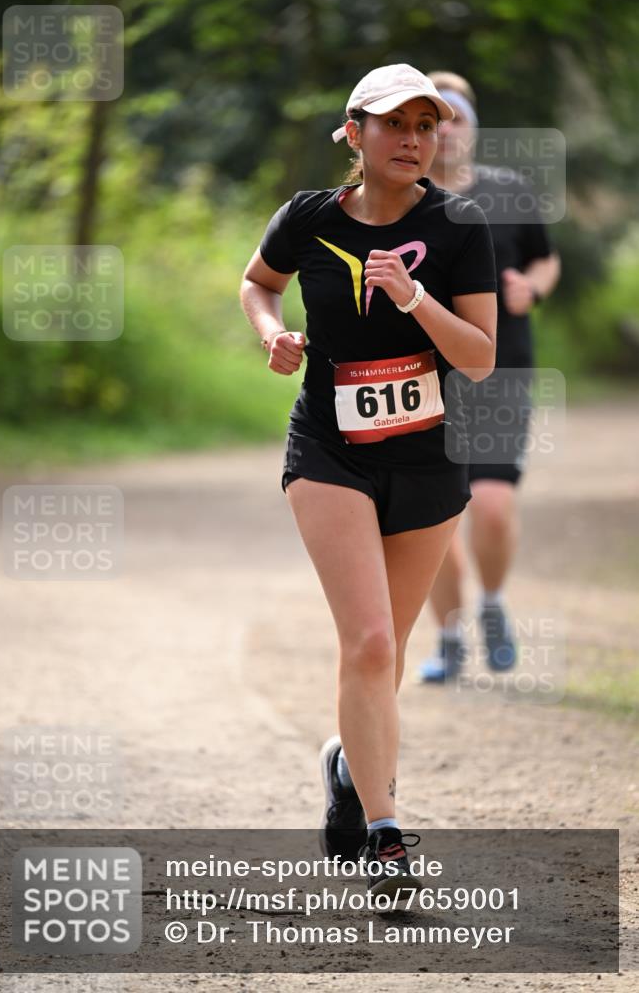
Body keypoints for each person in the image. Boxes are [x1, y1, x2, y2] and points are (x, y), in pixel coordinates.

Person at [240, 64, 497, 899]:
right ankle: (386, 835)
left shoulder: (458, 225)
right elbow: (257, 283)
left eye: (426, 125)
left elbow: (479, 358)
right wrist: (272, 334)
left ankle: (347, 766)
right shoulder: (308, 217)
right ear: (355, 133)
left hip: (426, 457)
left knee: (383, 661)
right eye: (394, 124)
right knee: (372, 642)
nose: (413, 139)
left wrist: (415, 298)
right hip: (330, 450)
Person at [418, 72, 561, 682]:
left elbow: (546, 258)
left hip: (501, 373)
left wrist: (533, 288)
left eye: (457, 119)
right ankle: (449, 637)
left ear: (474, 130)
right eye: (435, 120)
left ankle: (494, 605)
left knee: (494, 507)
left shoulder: (509, 190)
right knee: (434, 523)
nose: (448, 131)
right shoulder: (405, 198)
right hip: (423, 378)